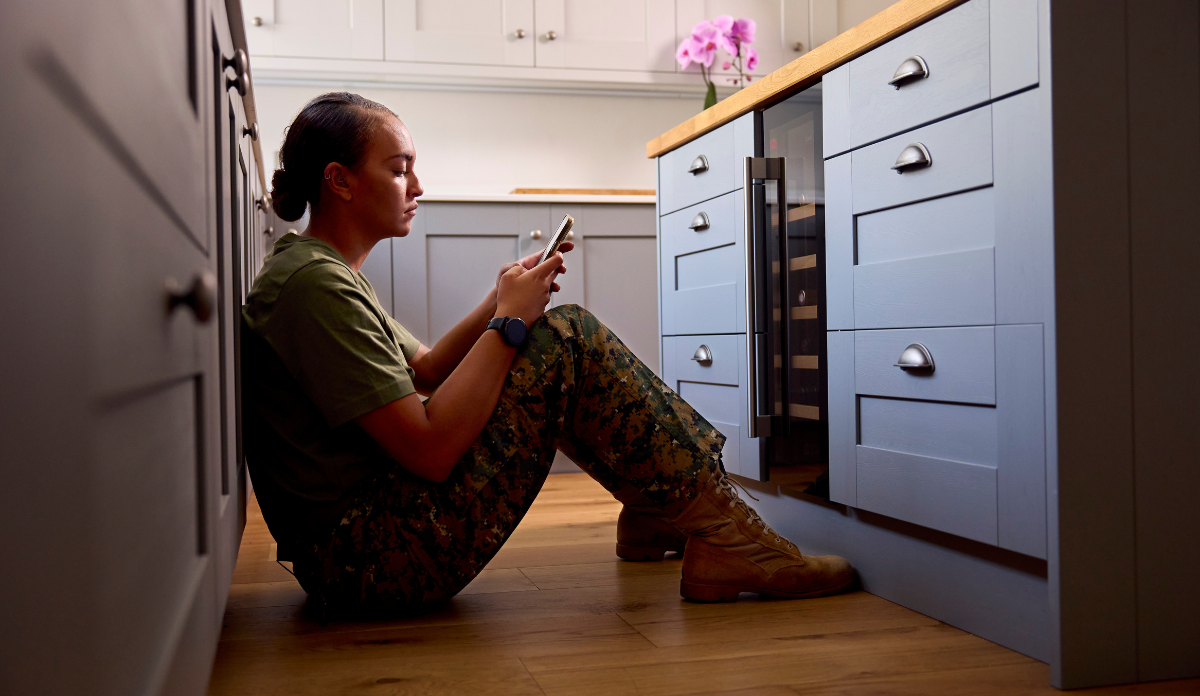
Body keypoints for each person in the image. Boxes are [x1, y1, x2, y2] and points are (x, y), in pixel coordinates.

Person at [241, 92, 854, 616]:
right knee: (568, 339)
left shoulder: (320, 273)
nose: (418, 185)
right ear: (339, 179)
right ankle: (718, 533)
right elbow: (428, 451)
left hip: (367, 544)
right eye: (400, 169)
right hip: (370, 563)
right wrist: (510, 322)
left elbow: (425, 370)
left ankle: (660, 510)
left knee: (558, 336)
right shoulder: (313, 285)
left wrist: (495, 301)